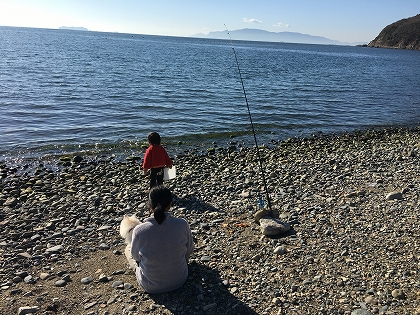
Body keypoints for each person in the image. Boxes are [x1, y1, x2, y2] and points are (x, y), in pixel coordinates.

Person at [130, 185, 194, 294]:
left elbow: (136, 257)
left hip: (150, 285)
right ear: (170, 205)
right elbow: (189, 251)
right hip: (180, 279)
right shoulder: (182, 224)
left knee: (128, 250)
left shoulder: (139, 230)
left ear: (150, 206)